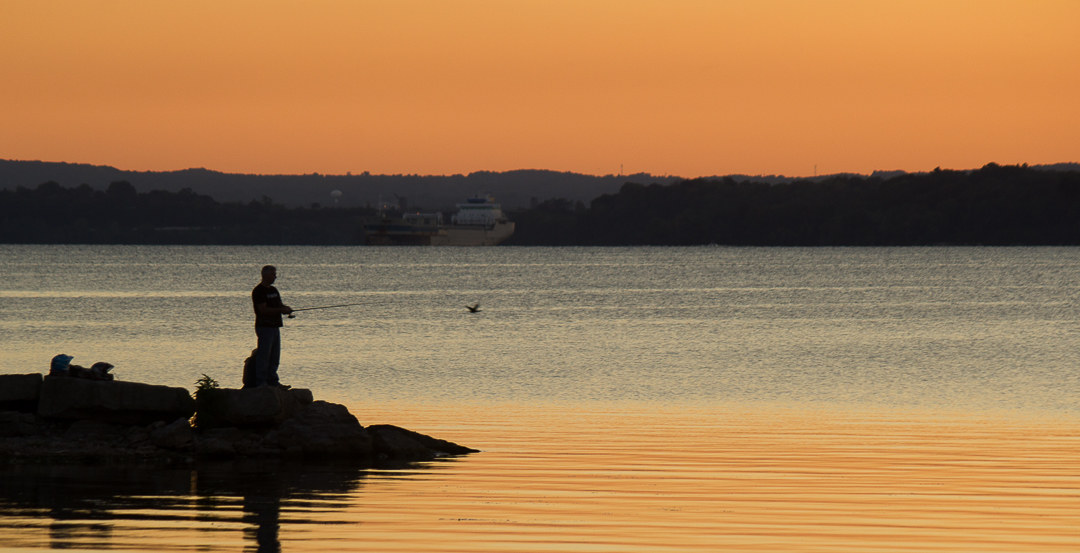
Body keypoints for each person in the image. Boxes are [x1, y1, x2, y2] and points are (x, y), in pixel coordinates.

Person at [251, 265, 293, 388]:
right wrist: (281, 310)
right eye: (273, 274)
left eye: (275, 274)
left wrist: (285, 309)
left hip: (275, 326)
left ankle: (273, 381)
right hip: (264, 327)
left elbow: (279, 304)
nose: (275, 277)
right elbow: (263, 310)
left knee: (275, 356)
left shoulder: (274, 290)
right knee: (264, 355)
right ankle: (261, 382)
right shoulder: (258, 291)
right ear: (265, 275)